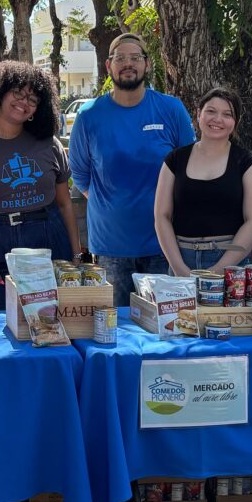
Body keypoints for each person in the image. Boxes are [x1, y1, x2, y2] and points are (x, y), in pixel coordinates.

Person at [69, 32, 196, 307]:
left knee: (163, 328)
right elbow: (80, 174)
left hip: (163, 245)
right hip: (111, 246)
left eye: (135, 58)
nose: (128, 63)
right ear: (108, 66)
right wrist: (112, 207)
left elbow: (189, 167)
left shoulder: (171, 110)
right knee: (115, 332)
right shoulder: (89, 116)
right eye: (120, 58)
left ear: (147, 64)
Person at [0, 61, 82, 312]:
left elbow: (64, 203)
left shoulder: (49, 144)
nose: (24, 102)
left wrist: (76, 256)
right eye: (17, 92)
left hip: (48, 235)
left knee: (52, 320)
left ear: (37, 109)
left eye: (33, 99)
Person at [154, 87, 252, 276]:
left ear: (235, 122)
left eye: (227, 114)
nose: (218, 119)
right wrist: (178, 266)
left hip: (230, 263)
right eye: (211, 111)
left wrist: (219, 269)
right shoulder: (175, 159)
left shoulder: (247, 162)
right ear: (199, 114)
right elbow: (161, 216)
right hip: (181, 258)